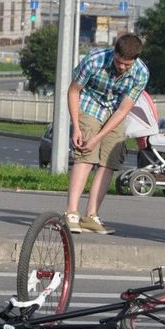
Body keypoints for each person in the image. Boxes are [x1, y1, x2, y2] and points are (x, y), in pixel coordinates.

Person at [63, 33, 149, 234]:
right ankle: (71, 212)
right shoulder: (94, 60)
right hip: (89, 104)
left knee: (109, 160)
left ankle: (91, 216)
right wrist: (76, 126)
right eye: (119, 62)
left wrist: (99, 137)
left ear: (135, 60)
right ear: (114, 53)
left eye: (127, 65)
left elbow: (123, 110)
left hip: (115, 111)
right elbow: (74, 91)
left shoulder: (141, 73)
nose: (122, 67)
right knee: (85, 155)